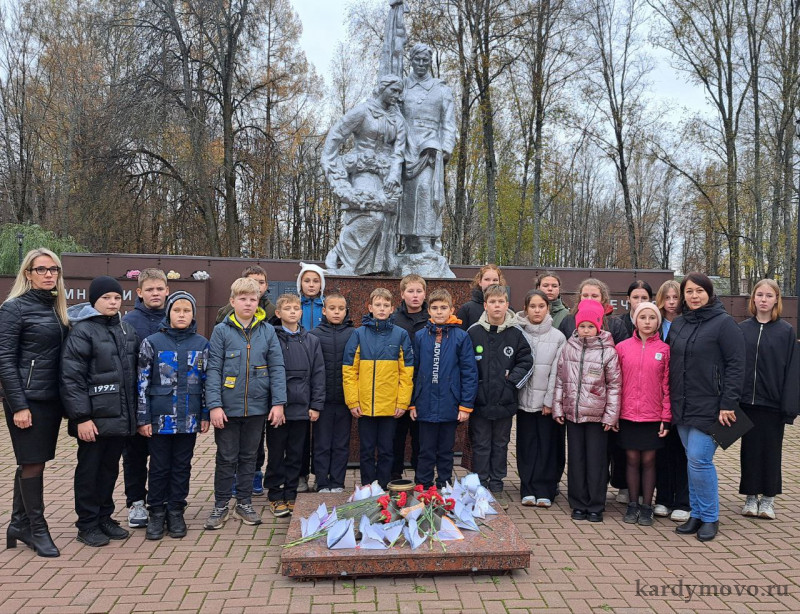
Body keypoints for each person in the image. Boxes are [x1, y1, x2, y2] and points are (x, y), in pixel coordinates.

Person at [0, 248, 69, 557]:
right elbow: (4, 360)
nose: (48, 274)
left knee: (32, 461)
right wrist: (19, 406)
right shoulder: (13, 308)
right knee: (32, 463)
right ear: (27, 273)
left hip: (51, 399)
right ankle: (37, 529)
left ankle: (17, 523)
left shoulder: (56, 307)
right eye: (41, 269)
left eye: (53, 269)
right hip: (27, 399)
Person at [60, 276, 139, 547]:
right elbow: (72, 378)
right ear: (94, 300)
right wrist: (81, 417)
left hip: (119, 417)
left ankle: (105, 517)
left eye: (117, 298)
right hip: (93, 419)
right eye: (107, 298)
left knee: (109, 470)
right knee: (89, 471)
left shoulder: (124, 329)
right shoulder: (82, 331)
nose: (113, 302)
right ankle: (87, 523)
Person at [204, 278, 286, 529]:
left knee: (250, 456)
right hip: (227, 409)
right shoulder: (221, 330)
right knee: (226, 457)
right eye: (243, 298)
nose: (248, 303)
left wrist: (278, 403)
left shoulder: (267, 330)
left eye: (252, 299)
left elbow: (276, 367)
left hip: (258, 407)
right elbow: (213, 369)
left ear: (258, 301)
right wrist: (214, 405)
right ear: (232, 301)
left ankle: (244, 502)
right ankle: (220, 505)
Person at [668, 272, 745, 542]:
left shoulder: (724, 324)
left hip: (712, 406)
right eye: (689, 291)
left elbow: (737, 366)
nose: (694, 296)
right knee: (692, 460)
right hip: (683, 403)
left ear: (709, 293)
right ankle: (697, 514)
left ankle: (710, 517)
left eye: (699, 290)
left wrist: (728, 404)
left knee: (700, 460)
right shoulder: (679, 324)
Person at [136, 291, 210, 540]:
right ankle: (156, 511)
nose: (181, 315)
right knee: (158, 467)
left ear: (193, 314)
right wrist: (143, 418)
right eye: (177, 310)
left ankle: (176, 510)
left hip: (188, 419)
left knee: (181, 466)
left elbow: (206, 382)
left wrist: (205, 414)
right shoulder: (153, 342)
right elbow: (142, 383)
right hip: (159, 419)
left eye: (186, 311)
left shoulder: (201, 344)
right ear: (168, 312)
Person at [321, 75, 406, 275]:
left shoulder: (398, 119)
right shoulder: (363, 111)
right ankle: (342, 256)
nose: (397, 95)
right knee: (371, 216)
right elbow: (335, 136)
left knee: (384, 224)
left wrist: (394, 175)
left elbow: (399, 152)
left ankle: (371, 270)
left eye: (399, 92)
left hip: (387, 175)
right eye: (393, 90)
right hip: (363, 169)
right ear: (382, 88)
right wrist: (334, 169)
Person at [552, 300, 621, 523]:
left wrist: (611, 416)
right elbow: (561, 380)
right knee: (577, 460)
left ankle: (595, 504)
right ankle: (578, 503)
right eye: (582, 326)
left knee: (596, 461)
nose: (586, 330)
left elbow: (614, 385)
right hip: (573, 413)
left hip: (597, 416)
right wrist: (558, 407)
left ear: (599, 327)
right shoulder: (569, 347)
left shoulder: (608, 352)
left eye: (590, 326)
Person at [467, 284, 533, 510]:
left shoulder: (515, 334)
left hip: (505, 402)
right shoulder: (474, 332)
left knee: (501, 444)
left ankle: (497, 484)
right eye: (493, 302)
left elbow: (526, 361)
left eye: (501, 302)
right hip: (480, 402)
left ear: (507, 305)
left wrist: (511, 382)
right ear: (485, 305)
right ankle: (480, 484)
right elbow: (465, 365)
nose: (497, 306)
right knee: (481, 444)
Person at [738, 279, 798, 520]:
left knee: (771, 451)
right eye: (759, 295)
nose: (763, 299)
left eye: (769, 295)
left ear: (776, 300)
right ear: (753, 299)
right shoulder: (742, 329)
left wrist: (789, 406)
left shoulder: (786, 331)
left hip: (772, 405)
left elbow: (792, 371)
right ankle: (751, 497)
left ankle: (769, 499)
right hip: (745, 403)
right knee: (749, 451)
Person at [343, 288, 414, 490]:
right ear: (370, 307)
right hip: (364, 406)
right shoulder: (358, 334)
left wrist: (402, 402)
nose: (381, 309)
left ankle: (383, 486)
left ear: (392, 309)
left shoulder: (400, 335)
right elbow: (349, 371)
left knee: (386, 450)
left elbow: (406, 372)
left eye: (386, 305)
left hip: (390, 406)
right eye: (378, 305)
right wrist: (353, 401)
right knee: (365, 450)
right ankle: (367, 486)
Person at [409, 289, 478, 488]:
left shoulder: (461, 337)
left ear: (451, 310)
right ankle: (423, 484)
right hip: (425, 403)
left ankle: (444, 484)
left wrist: (465, 405)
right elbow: (413, 371)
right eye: (435, 308)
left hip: (450, 403)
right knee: (425, 449)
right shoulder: (421, 336)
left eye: (443, 308)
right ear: (428, 310)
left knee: (446, 450)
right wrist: (412, 402)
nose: (439, 312)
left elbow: (469, 372)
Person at [265, 294, 325, 518]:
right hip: (278, 409)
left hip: (302, 408)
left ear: (301, 312)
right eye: (287, 308)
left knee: (296, 453)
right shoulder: (272, 338)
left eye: (296, 308)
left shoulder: (311, 340)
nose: (293, 311)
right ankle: (275, 493)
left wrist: (316, 405)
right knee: (276, 452)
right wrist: (274, 403)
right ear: (278, 313)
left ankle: (291, 493)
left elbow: (318, 374)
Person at [615, 302, 671, 527]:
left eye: (652, 318)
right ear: (635, 321)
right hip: (627, 414)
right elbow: (615, 383)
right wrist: (614, 414)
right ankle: (632, 504)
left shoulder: (665, 350)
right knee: (631, 459)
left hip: (653, 415)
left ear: (658, 321)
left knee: (648, 460)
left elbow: (668, 386)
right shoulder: (623, 347)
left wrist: (666, 418)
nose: (647, 322)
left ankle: (647, 506)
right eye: (642, 317)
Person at [399, 43, 456, 256]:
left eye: (425, 60)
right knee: (406, 195)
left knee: (425, 191)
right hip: (406, 146)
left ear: (430, 62)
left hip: (430, 148)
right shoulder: (402, 86)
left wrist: (446, 149)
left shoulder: (442, 89)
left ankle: (425, 241)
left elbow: (448, 124)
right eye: (417, 60)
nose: (421, 64)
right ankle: (408, 242)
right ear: (411, 60)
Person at [122, 268, 169, 530]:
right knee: (135, 455)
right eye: (149, 289)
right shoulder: (129, 321)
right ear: (139, 292)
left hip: (166, 401)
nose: (155, 293)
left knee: (163, 457)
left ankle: (161, 502)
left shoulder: (175, 316)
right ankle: (136, 501)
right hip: (135, 401)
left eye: (159, 289)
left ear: (166, 291)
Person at [514, 289, 566, 507]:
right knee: (526, 446)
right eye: (533, 306)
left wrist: (549, 401)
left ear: (548, 308)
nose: (537, 310)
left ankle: (545, 489)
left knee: (547, 446)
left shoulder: (558, 337)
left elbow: (558, 372)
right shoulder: (517, 333)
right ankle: (528, 487)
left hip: (546, 405)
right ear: (526, 309)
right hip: (523, 403)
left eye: (541, 306)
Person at [310, 293, 355, 493]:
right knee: (321, 443)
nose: (337, 312)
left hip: (345, 400)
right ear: (324, 310)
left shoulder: (354, 334)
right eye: (332, 308)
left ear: (346, 311)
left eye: (341, 309)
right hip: (323, 401)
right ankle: (321, 481)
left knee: (341, 444)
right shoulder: (314, 335)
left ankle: (337, 482)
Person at [653, 279, 690, 522]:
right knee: (663, 451)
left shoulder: (689, 324)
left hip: (684, 398)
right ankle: (663, 498)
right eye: (667, 298)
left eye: (676, 297)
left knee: (685, 451)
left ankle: (683, 501)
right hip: (657, 400)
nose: (672, 302)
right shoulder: (653, 324)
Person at [391, 274, 428, 481]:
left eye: (419, 291)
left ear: (425, 294)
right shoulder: (393, 319)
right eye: (410, 291)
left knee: (421, 437)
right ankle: (394, 476)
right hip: (397, 386)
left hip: (424, 387)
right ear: (402, 293)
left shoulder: (432, 318)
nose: (415, 296)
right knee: (396, 435)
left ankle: (421, 478)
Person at [295, 262, 326, 493]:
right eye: (307, 281)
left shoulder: (328, 305)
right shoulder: (296, 306)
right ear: (301, 284)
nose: (312, 285)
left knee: (322, 433)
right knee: (301, 433)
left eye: (316, 281)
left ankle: (320, 474)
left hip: (323, 369)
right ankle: (300, 474)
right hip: (300, 372)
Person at [558, 278, 627, 344]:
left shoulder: (616, 324)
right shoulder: (568, 321)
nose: (589, 299)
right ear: (580, 297)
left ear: (603, 299)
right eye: (585, 295)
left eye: (594, 296)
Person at [457, 264, 507, 330]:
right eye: (487, 279)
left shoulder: (508, 309)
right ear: (480, 282)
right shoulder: (467, 309)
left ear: (499, 282)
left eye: (495, 280)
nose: (491, 283)